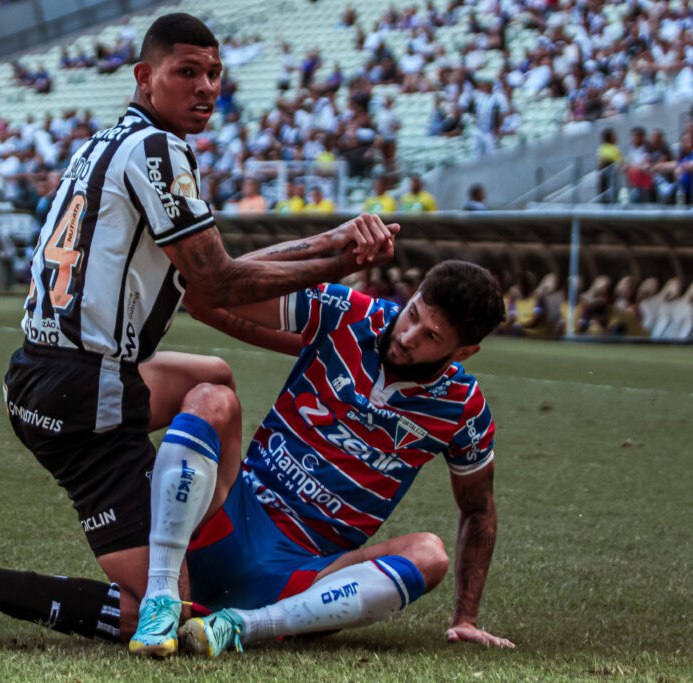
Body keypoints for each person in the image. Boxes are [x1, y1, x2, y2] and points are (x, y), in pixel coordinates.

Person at [0, 13, 397, 654]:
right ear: (144, 75)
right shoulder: (159, 151)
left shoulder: (111, 143)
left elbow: (221, 268)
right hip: (86, 393)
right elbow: (217, 283)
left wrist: (333, 239)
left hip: (50, 373)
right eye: (187, 72)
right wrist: (344, 262)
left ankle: (209, 524)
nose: (206, 87)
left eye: (214, 73)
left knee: (213, 379)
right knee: (159, 610)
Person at [172, 260, 512, 656]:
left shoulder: (463, 408)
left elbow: (478, 509)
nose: (409, 335)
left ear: (465, 351)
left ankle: (248, 626)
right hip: (232, 515)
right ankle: (166, 586)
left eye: (432, 336)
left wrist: (465, 618)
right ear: (413, 294)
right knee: (210, 393)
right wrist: (329, 253)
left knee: (429, 555)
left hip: (306, 572)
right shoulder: (348, 313)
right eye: (413, 314)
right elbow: (209, 290)